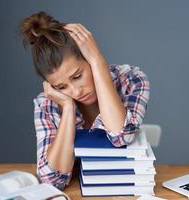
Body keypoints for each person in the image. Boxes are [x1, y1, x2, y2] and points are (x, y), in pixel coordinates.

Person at [19, 11, 150, 190]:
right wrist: (67, 108)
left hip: (126, 188)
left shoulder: (131, 79)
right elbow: (51, 181)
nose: (75, 91)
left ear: (88, 57)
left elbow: (121, 136)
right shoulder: (47, 102)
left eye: (77, 76)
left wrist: (98, 62)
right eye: (62, 87)